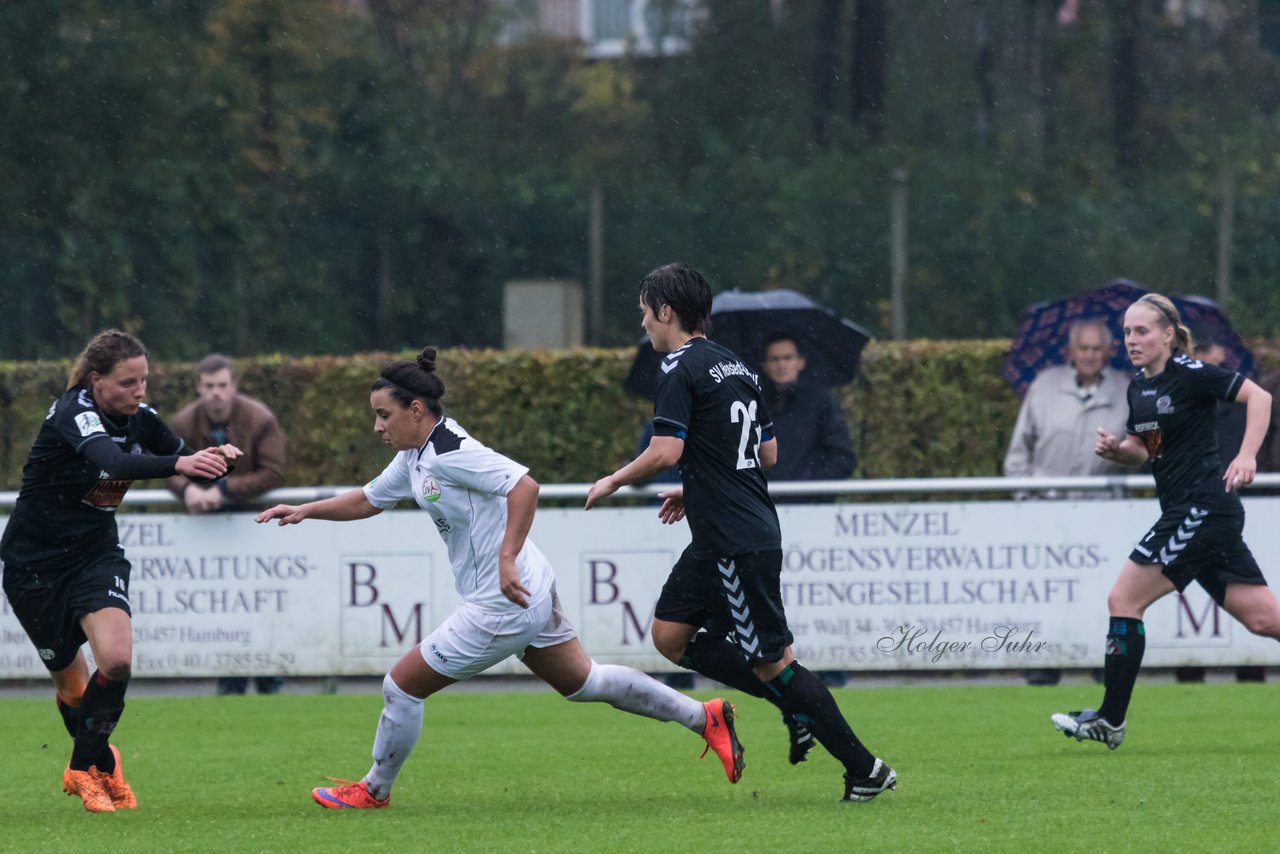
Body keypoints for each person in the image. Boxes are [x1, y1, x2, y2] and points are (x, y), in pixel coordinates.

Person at [255, 347, 744, 810]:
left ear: (417, 410)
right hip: (527, 588)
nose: (377, 426)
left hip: (503, 601)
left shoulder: (450, 451)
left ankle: (374, 789)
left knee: (400, 687)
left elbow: (525, 486)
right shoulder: (416, 455)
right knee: (584, 682)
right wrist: (305, 510)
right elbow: (368, 499)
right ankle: (704, 718)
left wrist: (506, 557)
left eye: (384, 415)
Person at [585, 263, 895, 802]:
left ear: (666, 311)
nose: (644, 323)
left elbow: (666, 451)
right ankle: (792, 706)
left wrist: (613, 478)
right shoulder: (738, 366)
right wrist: (696, 488)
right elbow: (765, 453)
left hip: (733, 540)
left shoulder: (678, 368)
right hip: (728, 531)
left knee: (774, 662)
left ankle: (864, 767)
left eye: (644, 312)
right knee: (670, 635)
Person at [0, 329, 239, 812]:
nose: (140, 391)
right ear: (97, 381)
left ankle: (81, 768)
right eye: (128, 383)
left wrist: (216, 460)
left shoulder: (141, 417)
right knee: (72, 687)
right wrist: (183, 462)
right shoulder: (73, 413)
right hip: (33, 565)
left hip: (94, 554)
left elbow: (179, 456)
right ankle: (102, 765)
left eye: (144, 380)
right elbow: (111, 461)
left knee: (118, 661)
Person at [1051, 294, 1280, 750]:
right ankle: (1110, 718)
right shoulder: (1140, 388)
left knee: (1123, 598)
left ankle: (1110, 720)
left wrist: (1248, 455)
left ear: (1168, 336)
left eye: (1141, 332)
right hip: (1200, 515)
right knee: (1263, 620)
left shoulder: (1192, 375)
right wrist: (1120, 452)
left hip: (1201, 507)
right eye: (1127, 333)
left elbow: (1259, 396)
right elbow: (1145, 449)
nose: (1131, 341)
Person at [1003, 318, 1130, 686]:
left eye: (1096, 348)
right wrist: (1028, 497)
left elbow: (1139, 452)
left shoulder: (1126, 390)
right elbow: (1017, 456)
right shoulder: (1043, 387)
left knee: (1103, 592)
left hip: (1101, 512)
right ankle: (1042, 661)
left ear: (1108, 352)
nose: (1089, 355)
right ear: (1070, 352)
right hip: (1045, 511)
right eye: (1083, 348)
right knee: (1044, 589)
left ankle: (1099, 658)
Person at [166, 353, 287, 695]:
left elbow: (275, 471)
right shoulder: (184, 421)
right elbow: (168, 468)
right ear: (198, 388)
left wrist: (223, 491)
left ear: (234, 386)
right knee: (219, 606)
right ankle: (228, 678)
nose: (216, 393)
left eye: (222, 385)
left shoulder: (259, 418)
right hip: (205, 530)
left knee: (260, 602)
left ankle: (269, 679)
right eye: (209, 386)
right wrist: (187, 489)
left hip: (255, 524)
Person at [759, 333, 857, 484]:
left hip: (808, 500)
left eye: (788, 358)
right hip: (767, 498)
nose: (781, 365)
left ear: (801, 362)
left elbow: (842, 456)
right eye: (775, 359)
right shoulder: (757, 402)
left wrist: (813, 488)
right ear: (765, 365)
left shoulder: (821, 402)